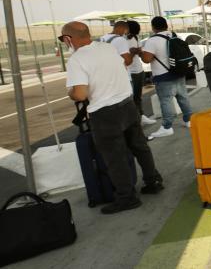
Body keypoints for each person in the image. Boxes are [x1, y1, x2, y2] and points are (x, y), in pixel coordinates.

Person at [60, 22, 164, 214]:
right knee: (139, 146)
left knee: (115, 157)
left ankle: (126, 197)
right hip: (127, 103)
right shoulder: (107, 48)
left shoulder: (77, 59)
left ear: (68, 39)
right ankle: (153, 181)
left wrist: (71, 93)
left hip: (104, 112)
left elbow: (81, 94)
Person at [139, 16, 193, 139]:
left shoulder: (153, 40)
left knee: (166, 102)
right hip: (178, 73)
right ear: (166, 25)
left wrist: (140, 53)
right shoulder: (174, 36)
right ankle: (189, 120)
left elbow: (146, 59)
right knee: (183, 98)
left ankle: (167, 127)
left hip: (163, 76)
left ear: (153, 27)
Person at [112, 20, 155, 125]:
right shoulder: (123, 40)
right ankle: (137, 118)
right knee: (132, 98)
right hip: (131, 72)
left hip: (139, 70)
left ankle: (140, 116)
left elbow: (139, 53)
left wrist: (138, 51)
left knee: (137, 97)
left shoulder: (134, 38)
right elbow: (126, 59)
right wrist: (133, 52)